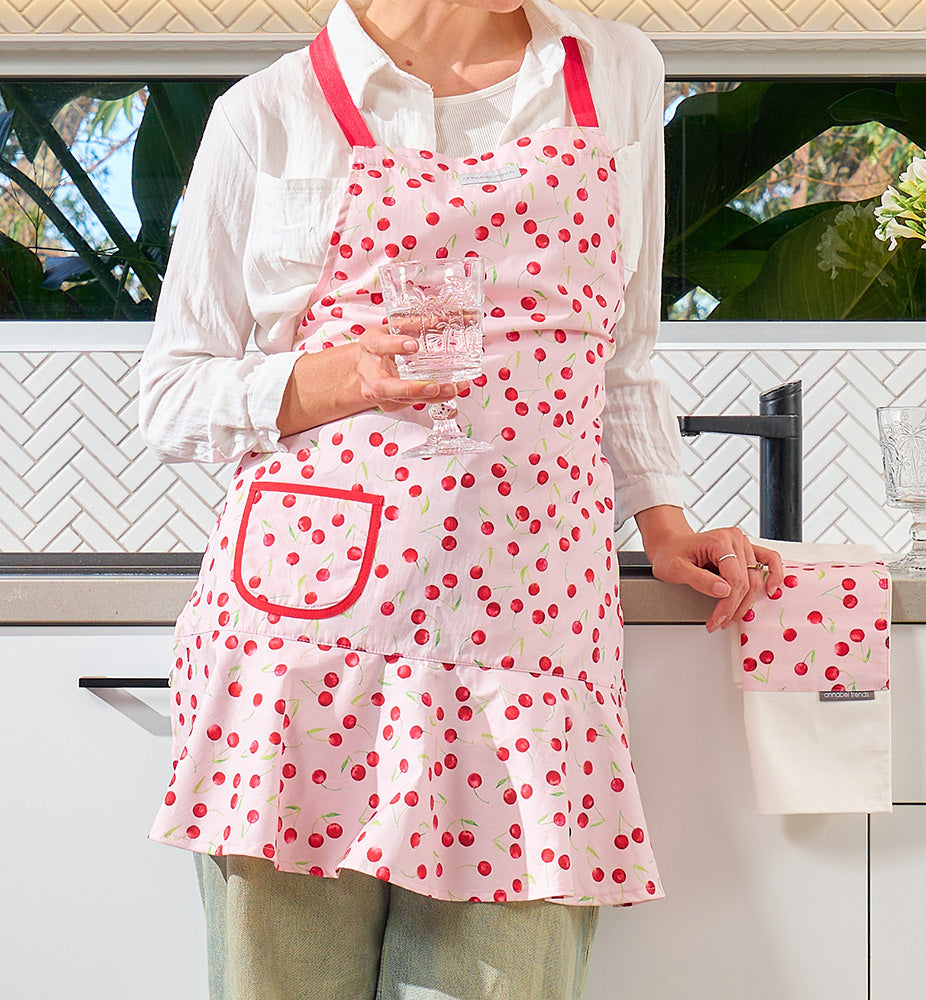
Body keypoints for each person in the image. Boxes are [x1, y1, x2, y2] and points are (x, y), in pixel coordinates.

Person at [139, 1, 784, 997]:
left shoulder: (611, 69)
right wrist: (343, 377)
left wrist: (664, 519)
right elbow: (172, 396)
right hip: (302, 654)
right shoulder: (271, 111)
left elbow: (622, 352)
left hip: (527, 646)